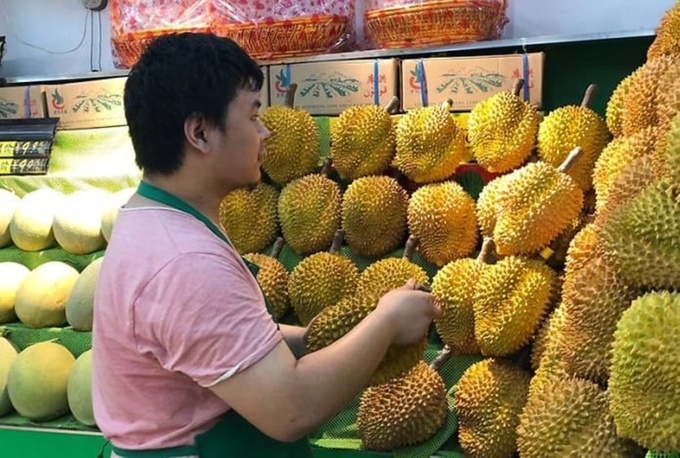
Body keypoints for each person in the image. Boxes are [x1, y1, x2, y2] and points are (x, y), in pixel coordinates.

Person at [92, 32, 440, 458]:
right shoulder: (185, 262)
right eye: (252, 115)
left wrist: (312, 337)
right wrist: (384, 322)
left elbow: (212, 343)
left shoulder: (154, 222)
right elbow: (291, 408)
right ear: (200, 132)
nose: (265, 131)